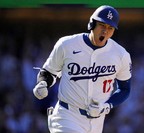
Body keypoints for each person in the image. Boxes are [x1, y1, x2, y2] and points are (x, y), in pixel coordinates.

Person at [33, 5, 132, 133]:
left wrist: (106, 106)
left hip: (97, 121)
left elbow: (125, 89)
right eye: (102, 25)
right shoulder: (67, 44)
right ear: (92, 24)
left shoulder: (120, 55)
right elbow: (49, 72)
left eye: (110, 28)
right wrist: (43, 83)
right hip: (67, 115)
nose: (105, 31)